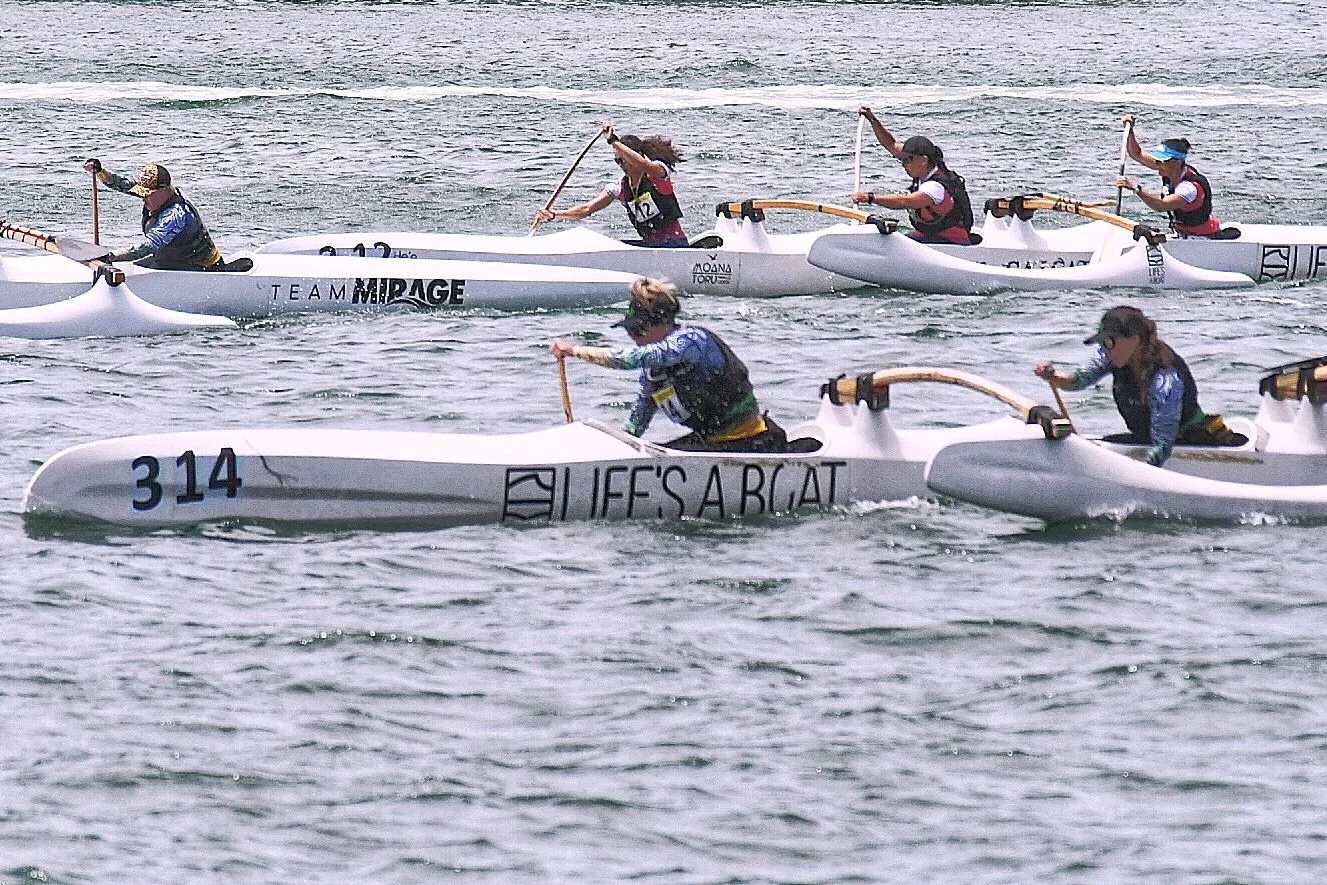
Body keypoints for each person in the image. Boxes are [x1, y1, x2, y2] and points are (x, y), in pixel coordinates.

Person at [550, 277, 788, 452]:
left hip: (753, 443)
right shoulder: (653, 376)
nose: (634, 337)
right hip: (712, 444)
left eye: (638, 330)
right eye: (630, 331)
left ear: (662, 324)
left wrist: (575, 351)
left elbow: (636, 357)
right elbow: (635, 427)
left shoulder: (692, 342)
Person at [1033, 305, 1245, 466]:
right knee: (1109, 441)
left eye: (1109, 342)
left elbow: (1162, 446)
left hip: (1190, 441)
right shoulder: (1112, 358)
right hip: (1146, 439)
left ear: (1134, 340)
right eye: (1102, 344)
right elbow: (1077, 380)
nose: (1105, 349)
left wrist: (1131, 475)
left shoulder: (1166, 378)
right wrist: (1053, 376)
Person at [535, 123, 689, 247]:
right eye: (617, 161)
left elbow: (642, 164)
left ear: (638, 155)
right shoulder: (619, 188)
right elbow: (587, 209)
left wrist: (613, 141)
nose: (620, 165)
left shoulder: (658, 175)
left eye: (623, 159)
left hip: (674, 245)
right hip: (650, 247)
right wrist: (554, 215)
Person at [850, 106, 975, 245]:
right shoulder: (924, 171)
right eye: (902, 160)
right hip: (926, 237)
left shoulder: (935, 187)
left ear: (924, 160)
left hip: (951, 243)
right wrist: (872, 119)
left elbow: (905, 202)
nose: (904, 164)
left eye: (908, 160)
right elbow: (891, 145)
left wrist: (870, 198)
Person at [82, 158, 224, 270]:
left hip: (203, 270)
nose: (143, 198)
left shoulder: (176, 215)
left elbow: (148, 246)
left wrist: (110, 256)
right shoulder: (159, 195)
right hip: (174, 261)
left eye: (148, 194)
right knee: (136, 267)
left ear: (166, 190)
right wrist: (100, 171)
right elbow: (121, 183)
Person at [1116, 115, 1222, 238]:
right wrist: (1130, 131)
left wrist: (1136, 188)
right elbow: (1137, 154)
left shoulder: (1189, 188)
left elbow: (1161, 205)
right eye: (1158, 161)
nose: (1158, 165)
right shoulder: (1168, 168)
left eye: (1163, 161)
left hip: (1204, 238)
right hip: (1182, 233)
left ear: (1177, 162)